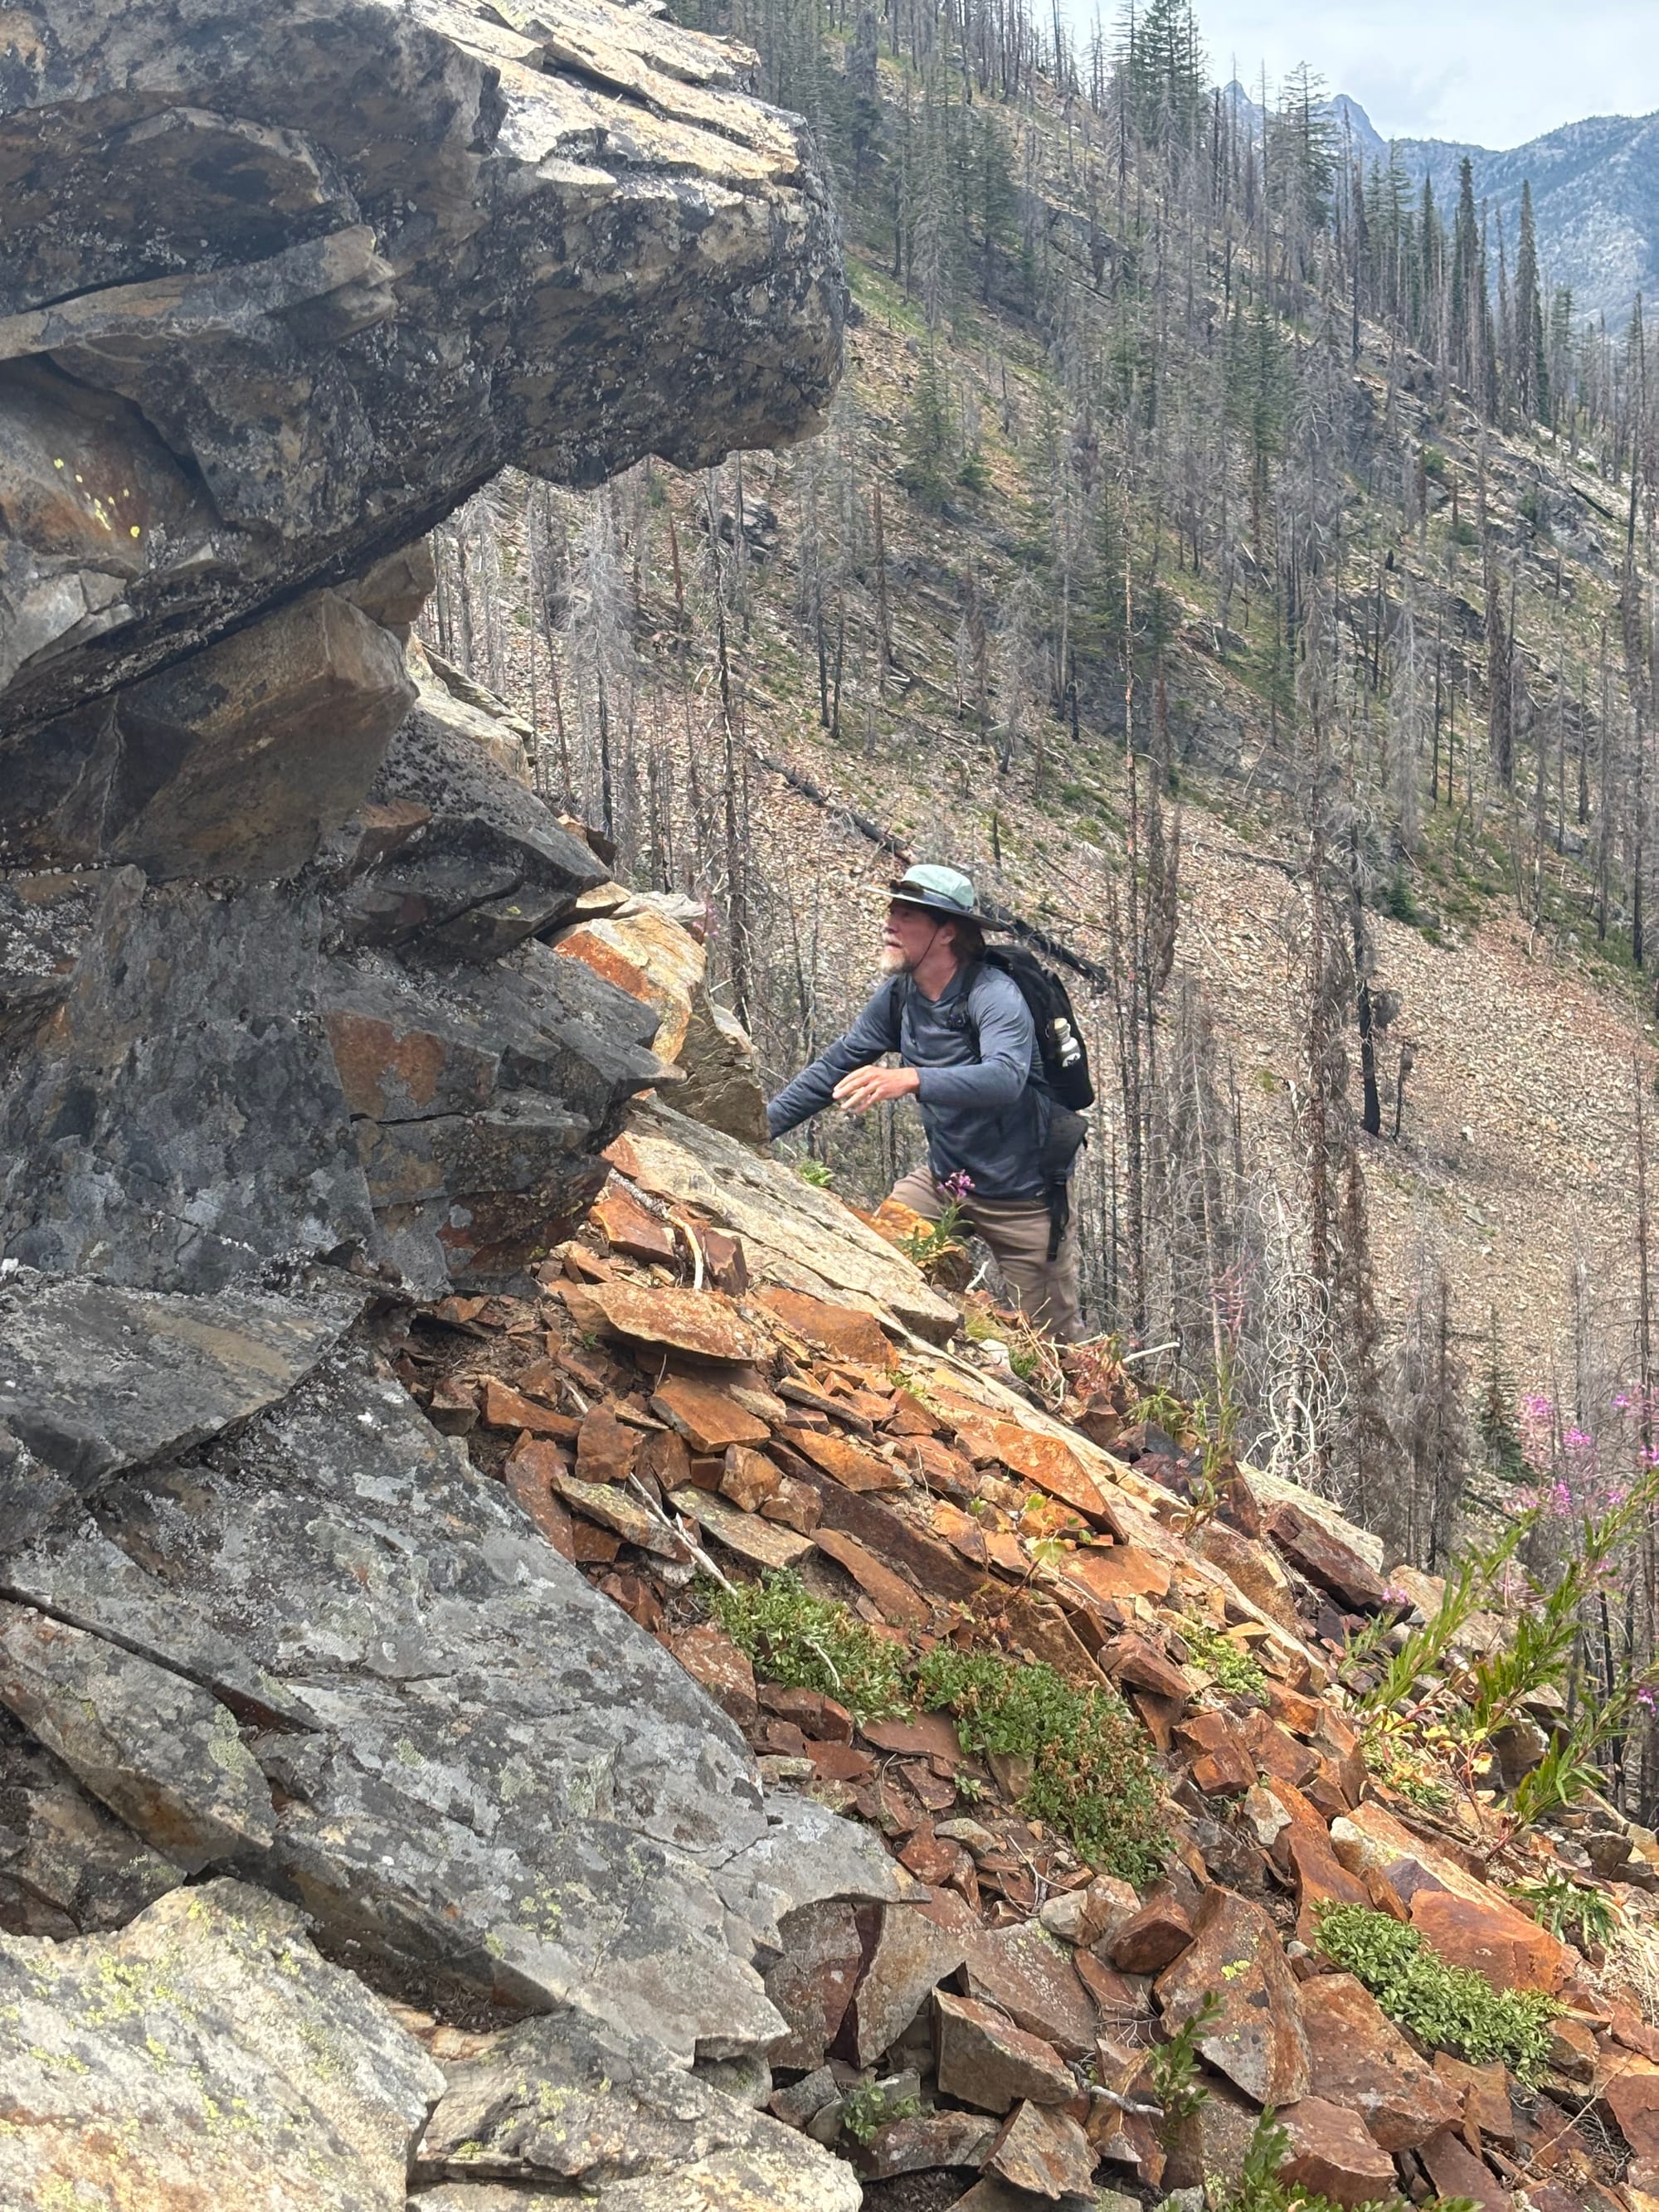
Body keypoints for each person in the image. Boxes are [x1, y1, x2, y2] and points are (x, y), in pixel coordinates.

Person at [766, 864, 1084, 1341]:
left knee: (1051, 1344)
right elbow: (834, 1068)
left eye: (908, 913)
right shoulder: (901, 994)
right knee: (877, 1268)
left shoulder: (994, 995)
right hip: (945, 1181)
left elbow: (1005, 1079)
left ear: (947, 932)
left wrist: (909, 1078)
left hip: (1025, 1198)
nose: (889, 922)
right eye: (892, 909)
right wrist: (756, 1128)